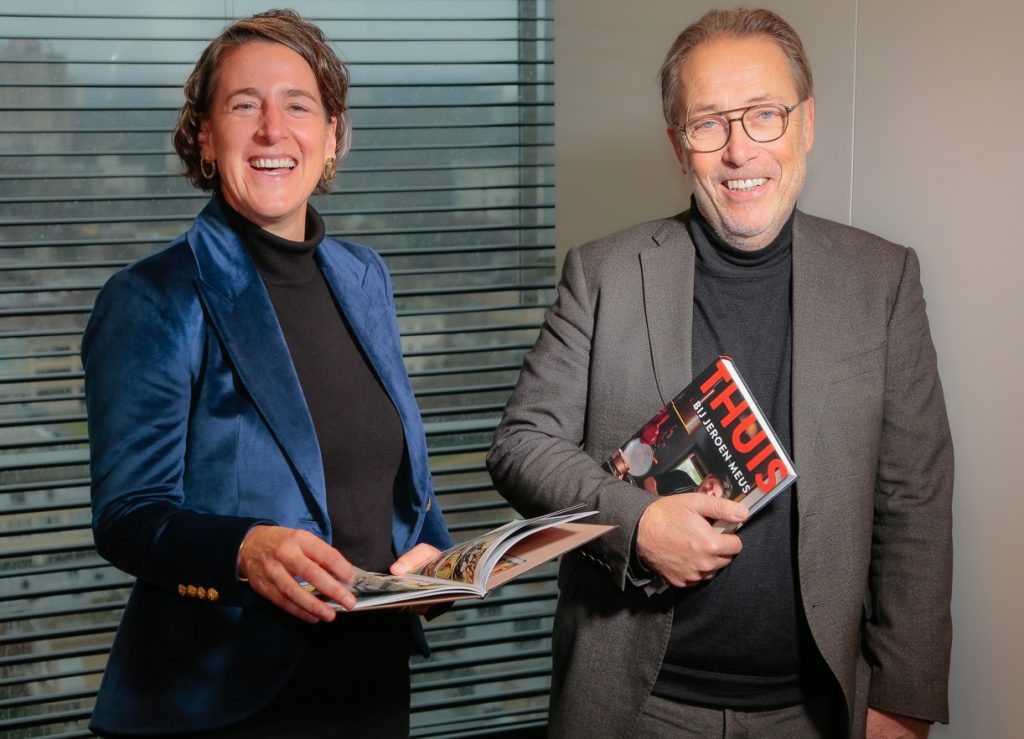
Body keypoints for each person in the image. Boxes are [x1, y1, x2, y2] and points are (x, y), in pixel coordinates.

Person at [487, 8, 952, 738]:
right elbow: (520, 445)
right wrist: (637, 523)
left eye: (764, 114)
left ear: (806, 124)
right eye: (709, 123)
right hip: (638, 707)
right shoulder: (603, 274)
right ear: (680, 146)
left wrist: (903, 700)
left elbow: (914, 498)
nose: (740, 151)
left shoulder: (881, 279)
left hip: (819, 709)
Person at [83, 10, 451, 737]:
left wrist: (435, 558)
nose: (272, 130)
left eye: (298, 106)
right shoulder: (153, 297)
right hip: (225, 700)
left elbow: (392, 471)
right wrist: (243, 551)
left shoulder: (364, 275)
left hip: (371, 681)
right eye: (244, 105)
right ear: (205, 137)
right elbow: (128, 515)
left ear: (332, 136)